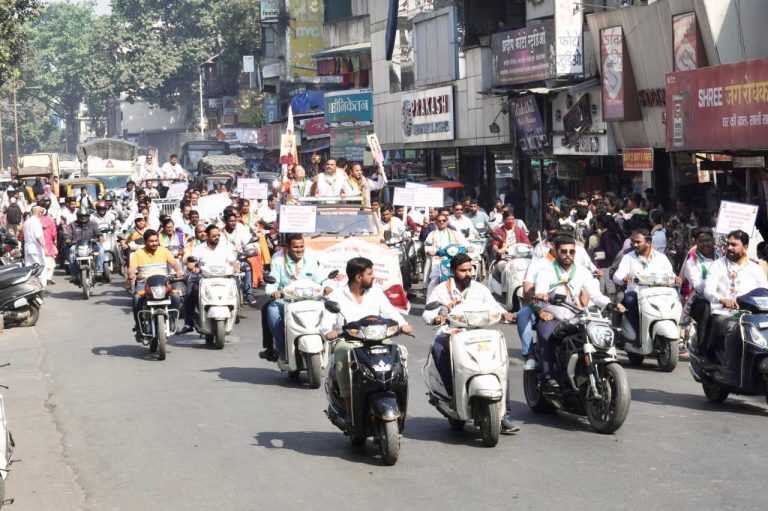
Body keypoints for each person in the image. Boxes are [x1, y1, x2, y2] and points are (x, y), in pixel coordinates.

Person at [422, 253, 518, 429]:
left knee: (500, 362)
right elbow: (428, 312)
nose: (468, 274)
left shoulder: (479, 289)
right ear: (453, 271)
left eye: (470, 270)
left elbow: (494, 306)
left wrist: (505, 314)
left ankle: (505, 413)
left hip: (479, 333)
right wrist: (436, 318)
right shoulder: (442, 289)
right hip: (451, 333)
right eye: (463, 271)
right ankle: (452, 396)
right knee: (439, 350)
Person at [322, 257, 413, 418]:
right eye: (370, 274)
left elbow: (390, 312)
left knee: (399, 352)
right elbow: (326, 324)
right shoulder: (337, 296)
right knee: (343, 353)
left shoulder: (376, 293)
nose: (373, 277)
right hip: (351, 341)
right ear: (358, 277)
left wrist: (403, 324)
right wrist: (330, 332)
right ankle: (347, 400)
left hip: (378, 339)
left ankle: (397, 393)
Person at [533, 236, 609, 390]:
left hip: (577, 316)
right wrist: (542, 295)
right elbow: (539, 290)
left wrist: (610, 303)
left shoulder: (582, 271)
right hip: (553, 316)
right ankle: (548, 378)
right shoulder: (546, 271)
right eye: (564, 251)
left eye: (572, 252)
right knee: (547, 335)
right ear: (555, 251)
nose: (568, 255)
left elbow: (595, 295)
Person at [702, 230, 768, 371]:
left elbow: (764, 291)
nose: (729, 248)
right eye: (728, 244)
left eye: (734, 245)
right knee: (734, 328)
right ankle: (730, 369)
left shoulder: (755, 268)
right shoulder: (718, 265)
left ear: (745, 247)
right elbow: (708, 290)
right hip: (725, 313)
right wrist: (722, 299)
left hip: (751, 315)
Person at [260, 234, 327, 361]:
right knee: (270, 309)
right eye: (295, 247)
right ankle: (281, 348)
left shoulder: (311, 258)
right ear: (287, 248)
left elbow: (321, 278)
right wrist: (274, 291)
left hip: (311, 300)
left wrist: (327, 286)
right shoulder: (278, 260)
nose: (299, 250)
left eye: (302, 246)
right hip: (286, 301)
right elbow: (273, 281)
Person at [612, 229, 675, 336]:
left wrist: (674, 279)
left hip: (658, 296)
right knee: (630, 300)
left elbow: (671, 276)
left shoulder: (661, 258)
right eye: (633, 242)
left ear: (648, 242)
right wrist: (623, 279)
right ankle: (638, 334)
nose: (634, 245)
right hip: (637, 295)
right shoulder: (628, 257)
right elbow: (617, 276)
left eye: (638, 242)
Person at [126, 229, 184, 339]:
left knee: (176, 297)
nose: (154, 243)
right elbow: (132, 269)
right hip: (144, 283)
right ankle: (139, 326)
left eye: (156, 241)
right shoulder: (138, 253)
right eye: (151, 241)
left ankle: (171, 318)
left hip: (163, 283)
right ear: (145, 242)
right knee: (136, 299)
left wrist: (178, 271)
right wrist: (131, 275)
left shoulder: (164, 251)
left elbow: (174, 263)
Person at [183, 225, 239, 332]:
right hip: (205, 278)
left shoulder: (225, 247)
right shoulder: (199, 249)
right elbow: (192, 261)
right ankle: (189, 322)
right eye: (214, 236)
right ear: (207, 236)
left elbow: (233, 260)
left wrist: (236, 267)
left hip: (224, 278)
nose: (216, 238)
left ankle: (234, 312)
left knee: (236, 288)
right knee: (191, 292)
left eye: (218, 235)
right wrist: (193, 267)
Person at [681, 229, 717, 348]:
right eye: (701, 241)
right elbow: (699, 287)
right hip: (700, 300)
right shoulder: (692, 262)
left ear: (713, 241)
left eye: (708, 240)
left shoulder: (722, 258)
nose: (705, 244)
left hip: (724, 299)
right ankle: (703, 348)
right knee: (706, 309)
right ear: (696, 242)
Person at [424, 211, 469, 297]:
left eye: (444, 220)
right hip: (437, 261)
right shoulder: (432, 234)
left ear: (447, 221)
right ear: (436, 222)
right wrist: (430, 251)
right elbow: (427, 246)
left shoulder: (455, 233)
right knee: (434, 280)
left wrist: (468, 248)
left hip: (453, 260)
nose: (441, 222)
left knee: (462, 277)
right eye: (439, 221)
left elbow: (464, 243)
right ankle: (430, 301)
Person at [64, 210, 105, 281]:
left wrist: (100, 238)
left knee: (101, 249)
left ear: (88, 216)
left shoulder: (93, 224)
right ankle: (74, 274)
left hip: (91, 244)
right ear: (78, 216)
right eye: (81, 216)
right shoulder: (72, 225)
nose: (83, 218)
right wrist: (67, 239)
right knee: (71, 252)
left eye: (85, 216)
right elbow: (67, 234)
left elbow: (99, 233)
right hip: (76, 245)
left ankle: (99, 270)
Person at [23, 206, 47, 287]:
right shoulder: (36, 222)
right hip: (35, 248)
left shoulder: (27, 222)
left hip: (27, 248)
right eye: (41, 212)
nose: (42, 214)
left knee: (29, 268)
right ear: (38, 212)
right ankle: (41, 287)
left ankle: (29, 286)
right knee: (40, 268)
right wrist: (44, 247)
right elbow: (38, 236)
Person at [38, 199, 58, 286]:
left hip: (38, 245)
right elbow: (54, 234)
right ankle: (47, 278)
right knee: (50, 263)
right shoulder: (50, 220)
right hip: (48, 244)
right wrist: (55, 242)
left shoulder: (34, 220)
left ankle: (43, 279)